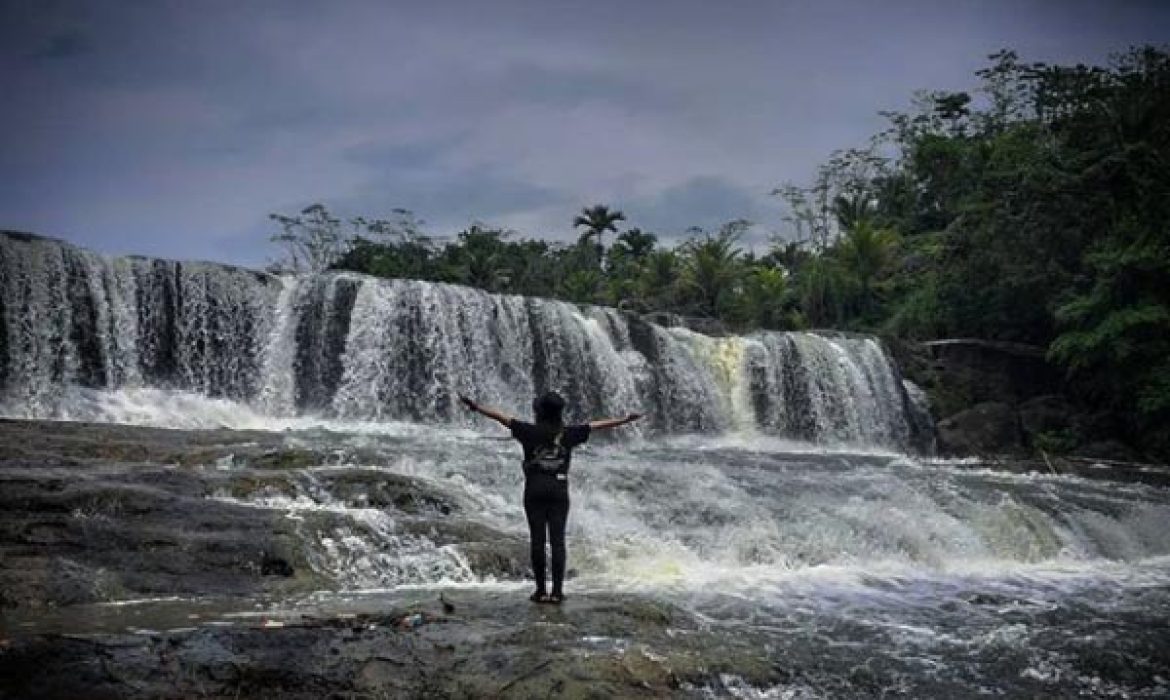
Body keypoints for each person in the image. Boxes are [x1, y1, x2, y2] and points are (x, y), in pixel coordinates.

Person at [459, 391, 642, 604]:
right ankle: (557, 592)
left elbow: (500, 417)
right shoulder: (569, 433)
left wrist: (476, 407)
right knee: (558, 542)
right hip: (559, 490)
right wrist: (625, 420)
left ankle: (540, 591)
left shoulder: (528, 431)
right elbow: (597, 425)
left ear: (539, 411)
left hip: (534, 489)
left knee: (537, 541)